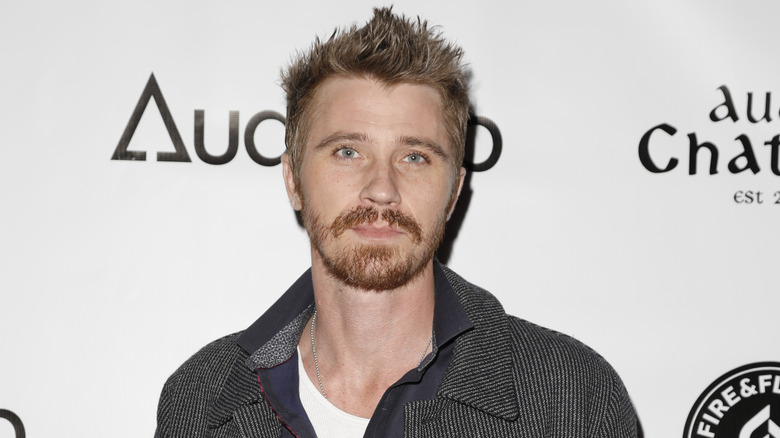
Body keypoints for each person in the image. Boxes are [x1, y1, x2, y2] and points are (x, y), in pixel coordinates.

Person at [154, 7, 637, 438]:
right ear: (293, 180)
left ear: (453, 192)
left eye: (414, 156)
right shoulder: (201, 402)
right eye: (348, 151)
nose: (381, 188)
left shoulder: (571, 398)